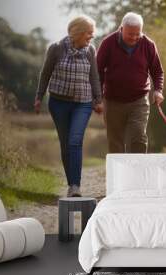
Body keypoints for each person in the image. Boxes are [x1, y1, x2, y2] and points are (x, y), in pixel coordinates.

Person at [34, 15, 103, 197]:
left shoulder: (90, 51)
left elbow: (94, 77)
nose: (92, 36)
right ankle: (71, 182)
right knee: (66, 144)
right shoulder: (56, 49)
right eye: (89, 32)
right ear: (78, 32)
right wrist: (39, 97)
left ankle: (75, 186)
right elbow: (45, 73)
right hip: (59, 103)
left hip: (83, 103)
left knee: (75, 140)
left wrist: (98, 100)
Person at [97, 12, 164, 153]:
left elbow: (157, 71)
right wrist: (98, 98)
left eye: (137, 34)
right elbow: (97, 71)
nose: (134, 37)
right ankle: (119, 174)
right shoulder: (108, 43)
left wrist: (158, 90)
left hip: (139, 101)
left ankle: (138, 173)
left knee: (138, 137)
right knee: (115, 141)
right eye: (130, 34)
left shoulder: (148, 45)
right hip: (112, 101)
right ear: (121, 29)